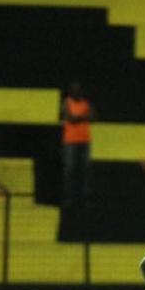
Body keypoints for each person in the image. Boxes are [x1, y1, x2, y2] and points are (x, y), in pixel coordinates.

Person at [59, 81, 96, 209]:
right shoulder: (66, 102)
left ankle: (86, 198)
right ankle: (68, 198)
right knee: (69, 169)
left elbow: (92, 116)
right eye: (74, 89)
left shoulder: (86, 102)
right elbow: (70, 118)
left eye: (78, 89)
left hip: (84, 140)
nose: (76, 91)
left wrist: (79, 117)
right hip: (70, 141)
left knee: (85, 169)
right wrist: (83, 116)